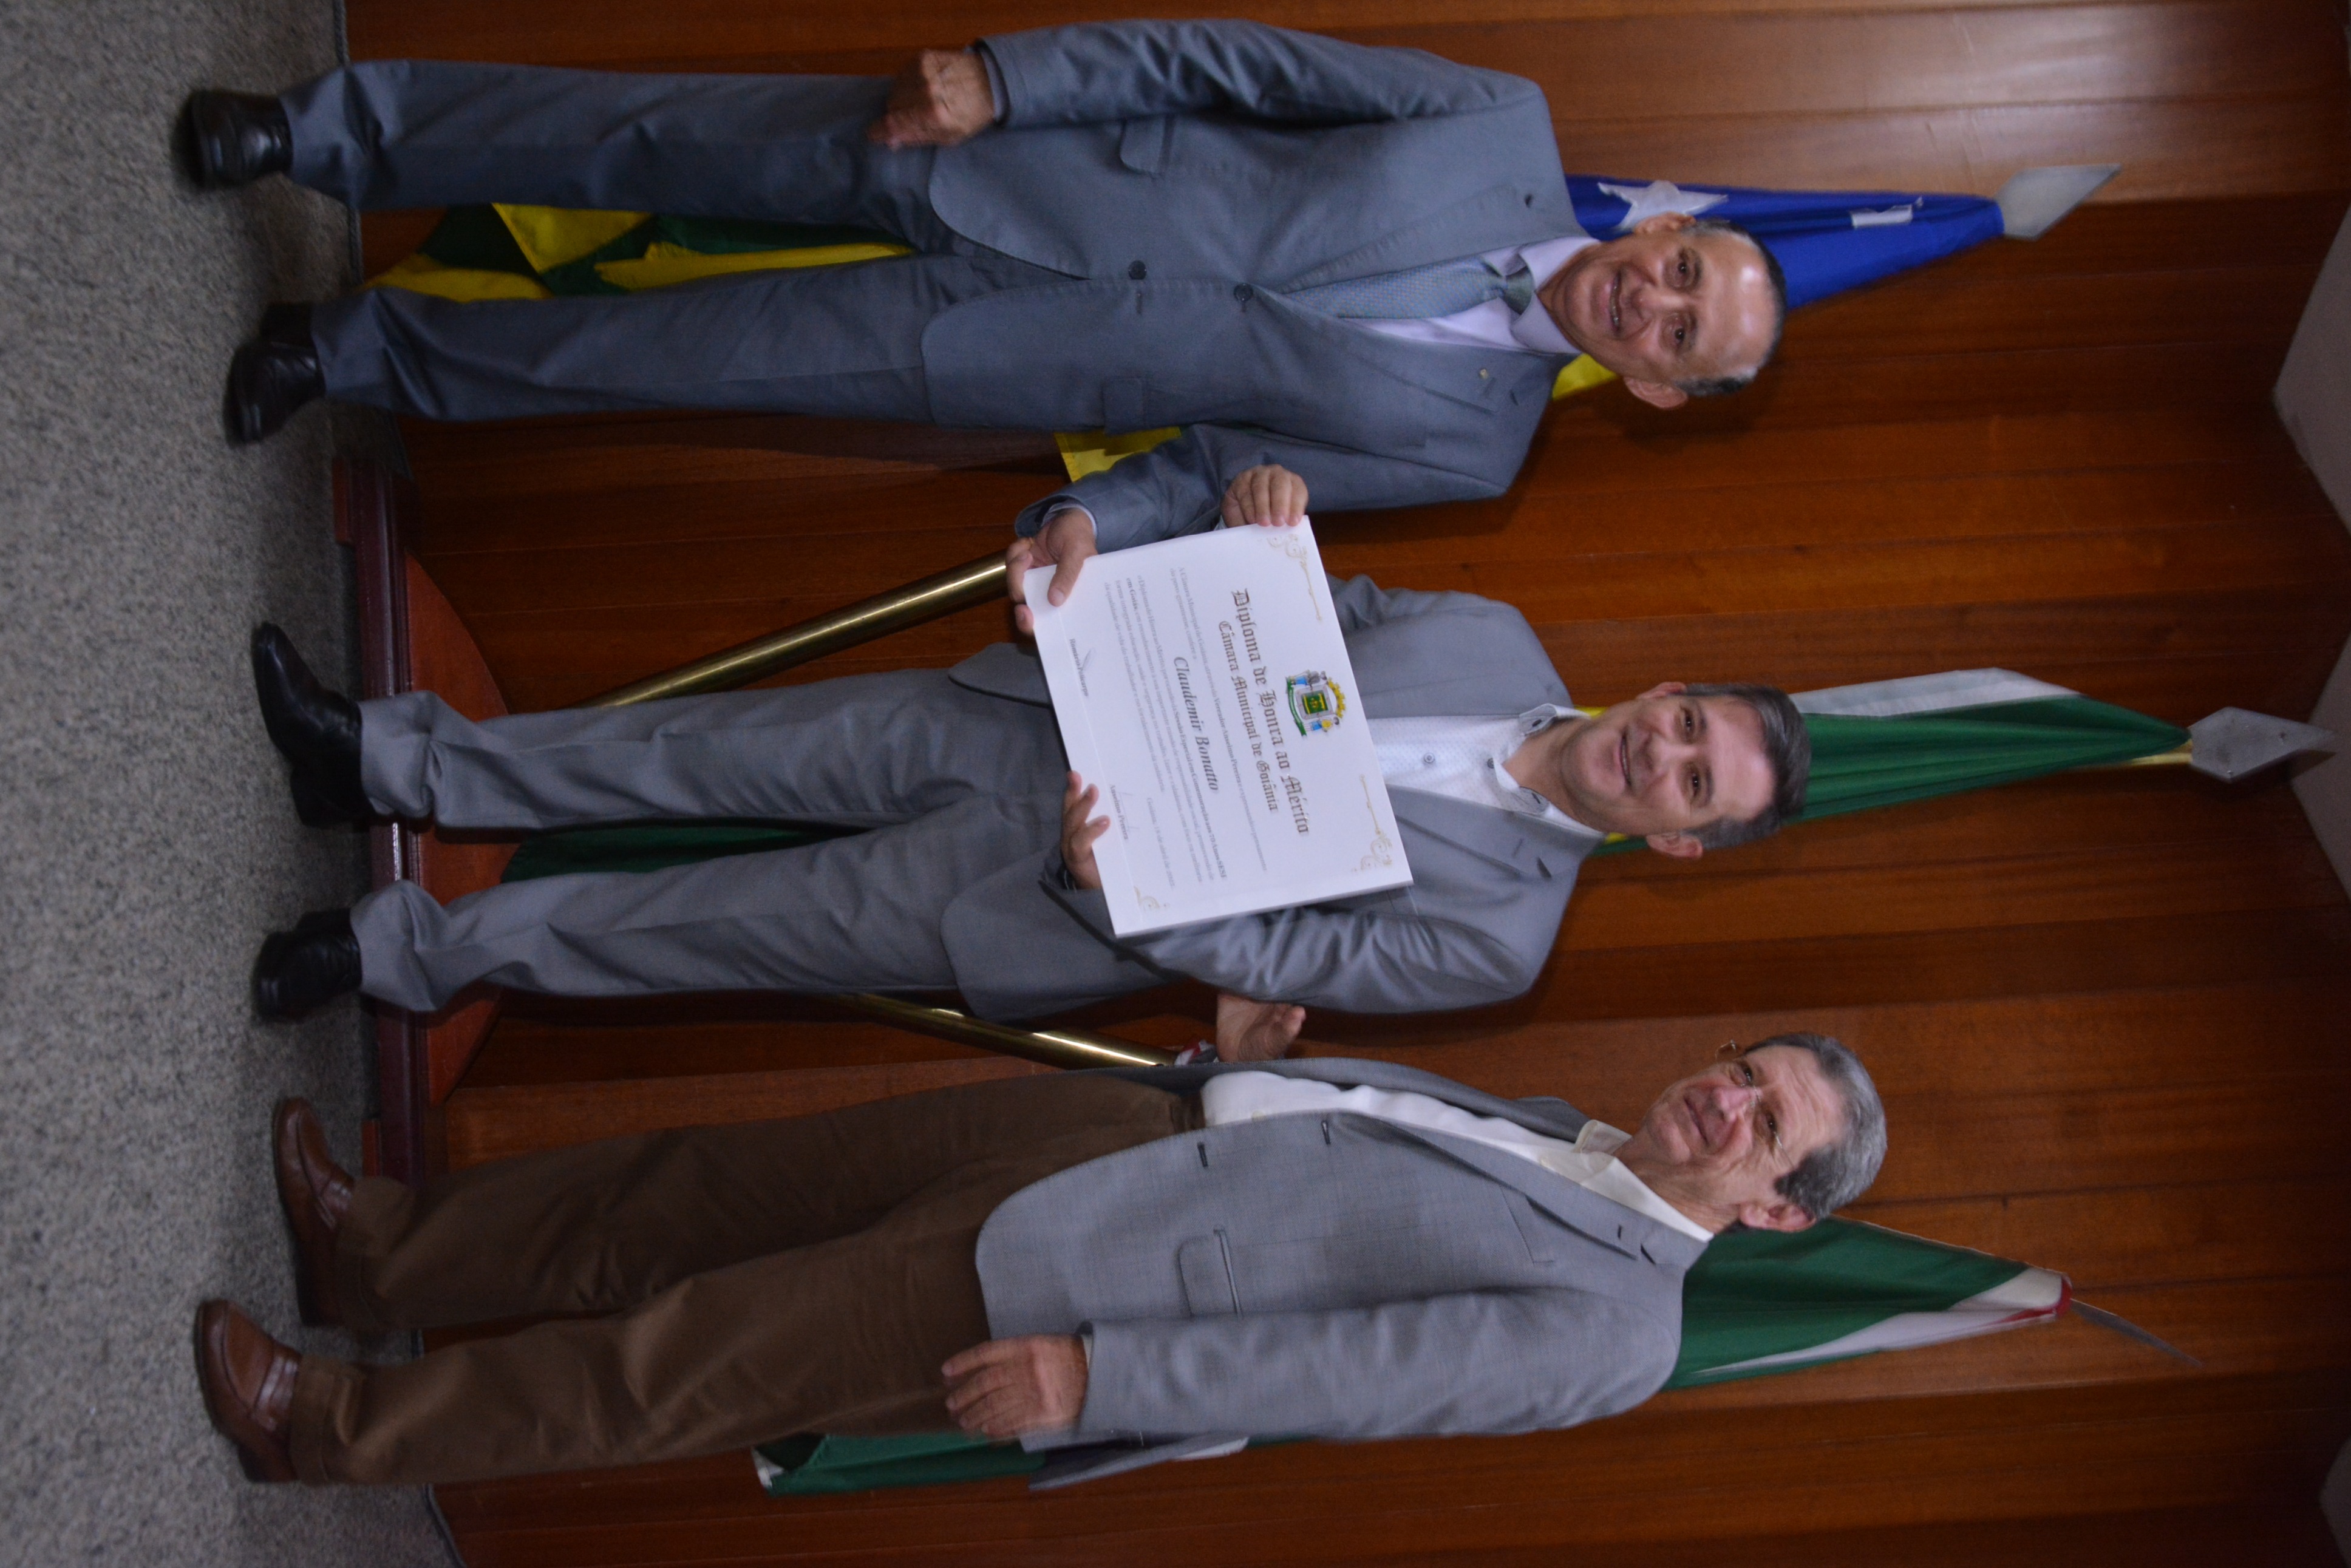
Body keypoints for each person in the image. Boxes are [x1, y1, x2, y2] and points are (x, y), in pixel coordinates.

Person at [182, 19, 1787, 584]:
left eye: (1680, 337)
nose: (1653, 303)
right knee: (653, 136)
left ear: (1658, 390)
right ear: (1670, 226)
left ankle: (349, 352)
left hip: (1000, 358)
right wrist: (1013, 82)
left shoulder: (1477, 455)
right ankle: (323, 134)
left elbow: (1212, 468)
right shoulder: (1499, 123)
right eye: (1684, 271)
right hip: (1015, 159)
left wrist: (1103, 522)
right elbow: (1239, 63)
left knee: (662, 355)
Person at [193, 1001, 1886, 1488]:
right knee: (701, 1189)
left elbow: (1359, 1373)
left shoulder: (1622, 1329)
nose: (1729, 1100)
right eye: (1748, 1070)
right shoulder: (1572, 1134)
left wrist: (1100, 1381)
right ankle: (380, 1258)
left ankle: (326, 1428)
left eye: (1767, 1125)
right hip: (1106, 1136)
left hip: (1083, 1296)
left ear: (1774, 1210)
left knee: (690, 1360)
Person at [243, 534, 1809, 1023]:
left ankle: (398, 958)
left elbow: (1288, 959)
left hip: (1048, 893)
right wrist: (1256, 522)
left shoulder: (1504, 938)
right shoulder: (1494, 631)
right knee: (692, 747)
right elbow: (1297, 609)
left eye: (1694, 788)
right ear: (1667, 690)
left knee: (692, 926)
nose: (1662, 754)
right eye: (1689, 726)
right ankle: (381, 758)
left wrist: (1118, 883)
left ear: (1676, 846)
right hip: (1026, 717)